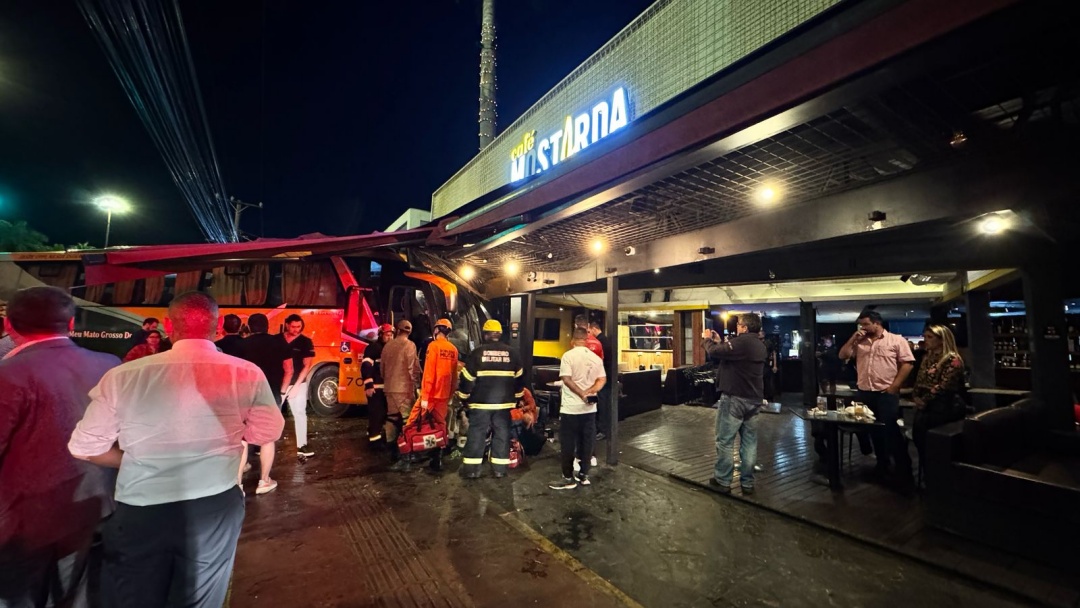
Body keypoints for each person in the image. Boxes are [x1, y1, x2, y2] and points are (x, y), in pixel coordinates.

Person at [68, 291, 284, 608]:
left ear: (168, 326)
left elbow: (84, 446)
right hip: (213, 504)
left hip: (140, 509)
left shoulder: (124, 376)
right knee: (199, 597)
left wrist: (132, 460)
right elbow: (268, 431)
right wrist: (231, 436)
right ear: (218, 326)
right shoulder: (246, 373)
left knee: (135, 597)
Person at [0, 287, 120, 608]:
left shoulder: (8, 374)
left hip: (21, 525)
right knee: (76, 597)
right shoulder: (110, 365)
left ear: (9, 325)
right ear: (70, 324)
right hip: (92, 508)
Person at [839, 309, 916, 491]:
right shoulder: (860, 342)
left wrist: (895, 385)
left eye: (866, 324)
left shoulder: (896, 340)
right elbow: (843, 355)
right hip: (865, 392)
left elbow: (908, 363)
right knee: (873, 431)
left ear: (877, 323)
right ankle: (882, 465)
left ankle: (904, 472)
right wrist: (853, 338)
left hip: (886, 393)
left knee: (891, 431)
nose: (863, 328)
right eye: (860, 325)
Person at [702, 313, 766, 494]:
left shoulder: (742, 342)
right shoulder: (759, 345)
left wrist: (707, 340)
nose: (737, 327)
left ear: (745, 328)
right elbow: (730, 354)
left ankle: (722, 480)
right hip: (754, 399)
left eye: (738, 324)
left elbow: (714, 352)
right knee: (749, 442)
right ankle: (747, 483)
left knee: (725, 440)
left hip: (735, 398)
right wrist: (719, 341)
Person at [458, 320, 526, 479]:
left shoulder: (477, 353)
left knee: (477, 433)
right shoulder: (513, 353)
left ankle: (472, 470)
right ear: (500, 334)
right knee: (502, 434)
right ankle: (499, 470)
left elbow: (467, 378)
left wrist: (464, 397)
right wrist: (517, 398)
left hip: (480, 403)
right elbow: (520, 379)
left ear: (485, 334)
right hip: (504, 404)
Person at [234, 313, 290, 495]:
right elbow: (289, 369)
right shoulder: (279, 343)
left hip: (244, 396)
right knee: (268, 438)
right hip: (270, 395)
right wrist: (282, 392)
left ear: (249, 327)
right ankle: (264, 481)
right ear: (268, 326)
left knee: (243, 439)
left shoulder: (242, 345)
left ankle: (238, 484)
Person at [548, 327, 607, 490]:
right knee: (587, 442)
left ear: (572, 340)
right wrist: (591, 391)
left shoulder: (568, 356)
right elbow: (602, 379)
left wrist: (581, 393)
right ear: (586, 341)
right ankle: (584, 474)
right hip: (589, 409)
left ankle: (568, 478)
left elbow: (566, 379)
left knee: (567, 443)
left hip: (570, 408)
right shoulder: (595, 358)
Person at [407, 317, 459, 472]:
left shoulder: (433, 346)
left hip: (430, 395)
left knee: (413, 422)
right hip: (444, 396)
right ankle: (437, 458)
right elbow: (454, 377)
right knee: (440, 425)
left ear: (437, 330)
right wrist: (450, 395)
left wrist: (425, 396)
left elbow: (429, 373)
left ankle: (409, 455)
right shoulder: (453, 350)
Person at [911, 324, 966, 473]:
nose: (925, 340)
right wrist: (916, 396)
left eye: (930, 337)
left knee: (939, 447)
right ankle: (928, 476)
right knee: (921, 442)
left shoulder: (952, 359)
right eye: (925, 336)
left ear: (942, 340)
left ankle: (942, 477)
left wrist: (925, 399)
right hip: (926, 408)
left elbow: (944, 386)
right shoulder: (927, 357)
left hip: (944, 407)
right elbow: (919, 380)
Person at [381, 319, 422, 470]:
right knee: (407, 421)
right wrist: (416, 386)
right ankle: (406, 456)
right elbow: (413, 369)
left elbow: (382, 368)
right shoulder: (410, 345)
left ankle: (392, 452)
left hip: (389, 388)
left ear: (398, 330)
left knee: (391, 418)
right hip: (404, 389)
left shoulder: (388, 345)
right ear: (409, 332)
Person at [280, 314, 315, 458]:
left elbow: (307, 365)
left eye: (299, 327)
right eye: (293, 327)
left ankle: (302, 445)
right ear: (287, 325)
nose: (296, 330)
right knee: (271, 414)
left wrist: (296, 386)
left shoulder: (305, 342)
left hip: (297, 383)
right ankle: (261, 445)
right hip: (279, 382)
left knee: (300, 413)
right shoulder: (278, 339)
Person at [361, 323, 395, 446]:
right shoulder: (373, 348)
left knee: (384, 415)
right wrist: (369, 386)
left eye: (391, 335)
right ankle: (374, 442)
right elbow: (366, 367)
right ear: (380, 335)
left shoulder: (391, 349)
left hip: (386, 389)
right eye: (387, 335)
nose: (389, 337)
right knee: (377, 415)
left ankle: (375, 434)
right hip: (375, 389)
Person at [588, 320, 613, 441]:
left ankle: (602, 430)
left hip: (603, 377)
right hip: (607, 376)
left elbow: (600, 362)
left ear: (594, 329)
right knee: (604, 403)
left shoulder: (600, 342)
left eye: (589, 331)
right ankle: (602, 429)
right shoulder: (606, 341)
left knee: (602, 404)